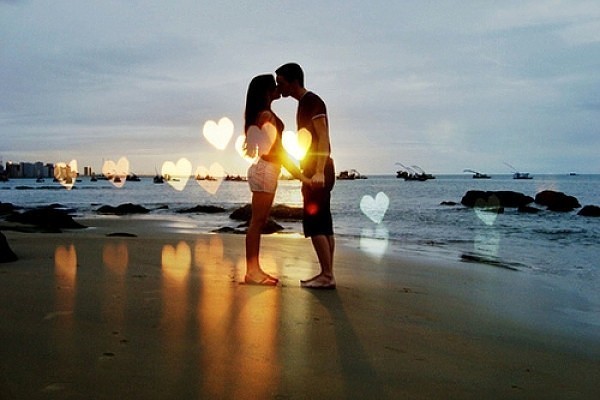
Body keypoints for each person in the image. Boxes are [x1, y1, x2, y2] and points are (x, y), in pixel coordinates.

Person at [243, 74, 311, 286]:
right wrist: (301, 176)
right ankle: (252, 272)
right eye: (274, 85)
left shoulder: (264, 113)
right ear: (266, 91)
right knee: (257, 223)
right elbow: (278, 152)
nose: (277, 88)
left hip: (266, 170)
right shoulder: (266, 116)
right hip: (266, 170)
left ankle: (255, 270)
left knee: (259, 222)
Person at [275, 63, 336, 289]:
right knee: (324, 223)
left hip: (319, 170)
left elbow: (323, 137)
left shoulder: (312, 101)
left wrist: (318, 171)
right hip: (316, 169)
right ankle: (327, 273)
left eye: (281, 82)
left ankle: (327, 275)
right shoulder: (303, 103)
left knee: (315, 224)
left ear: (293, 81)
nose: (279, 87)